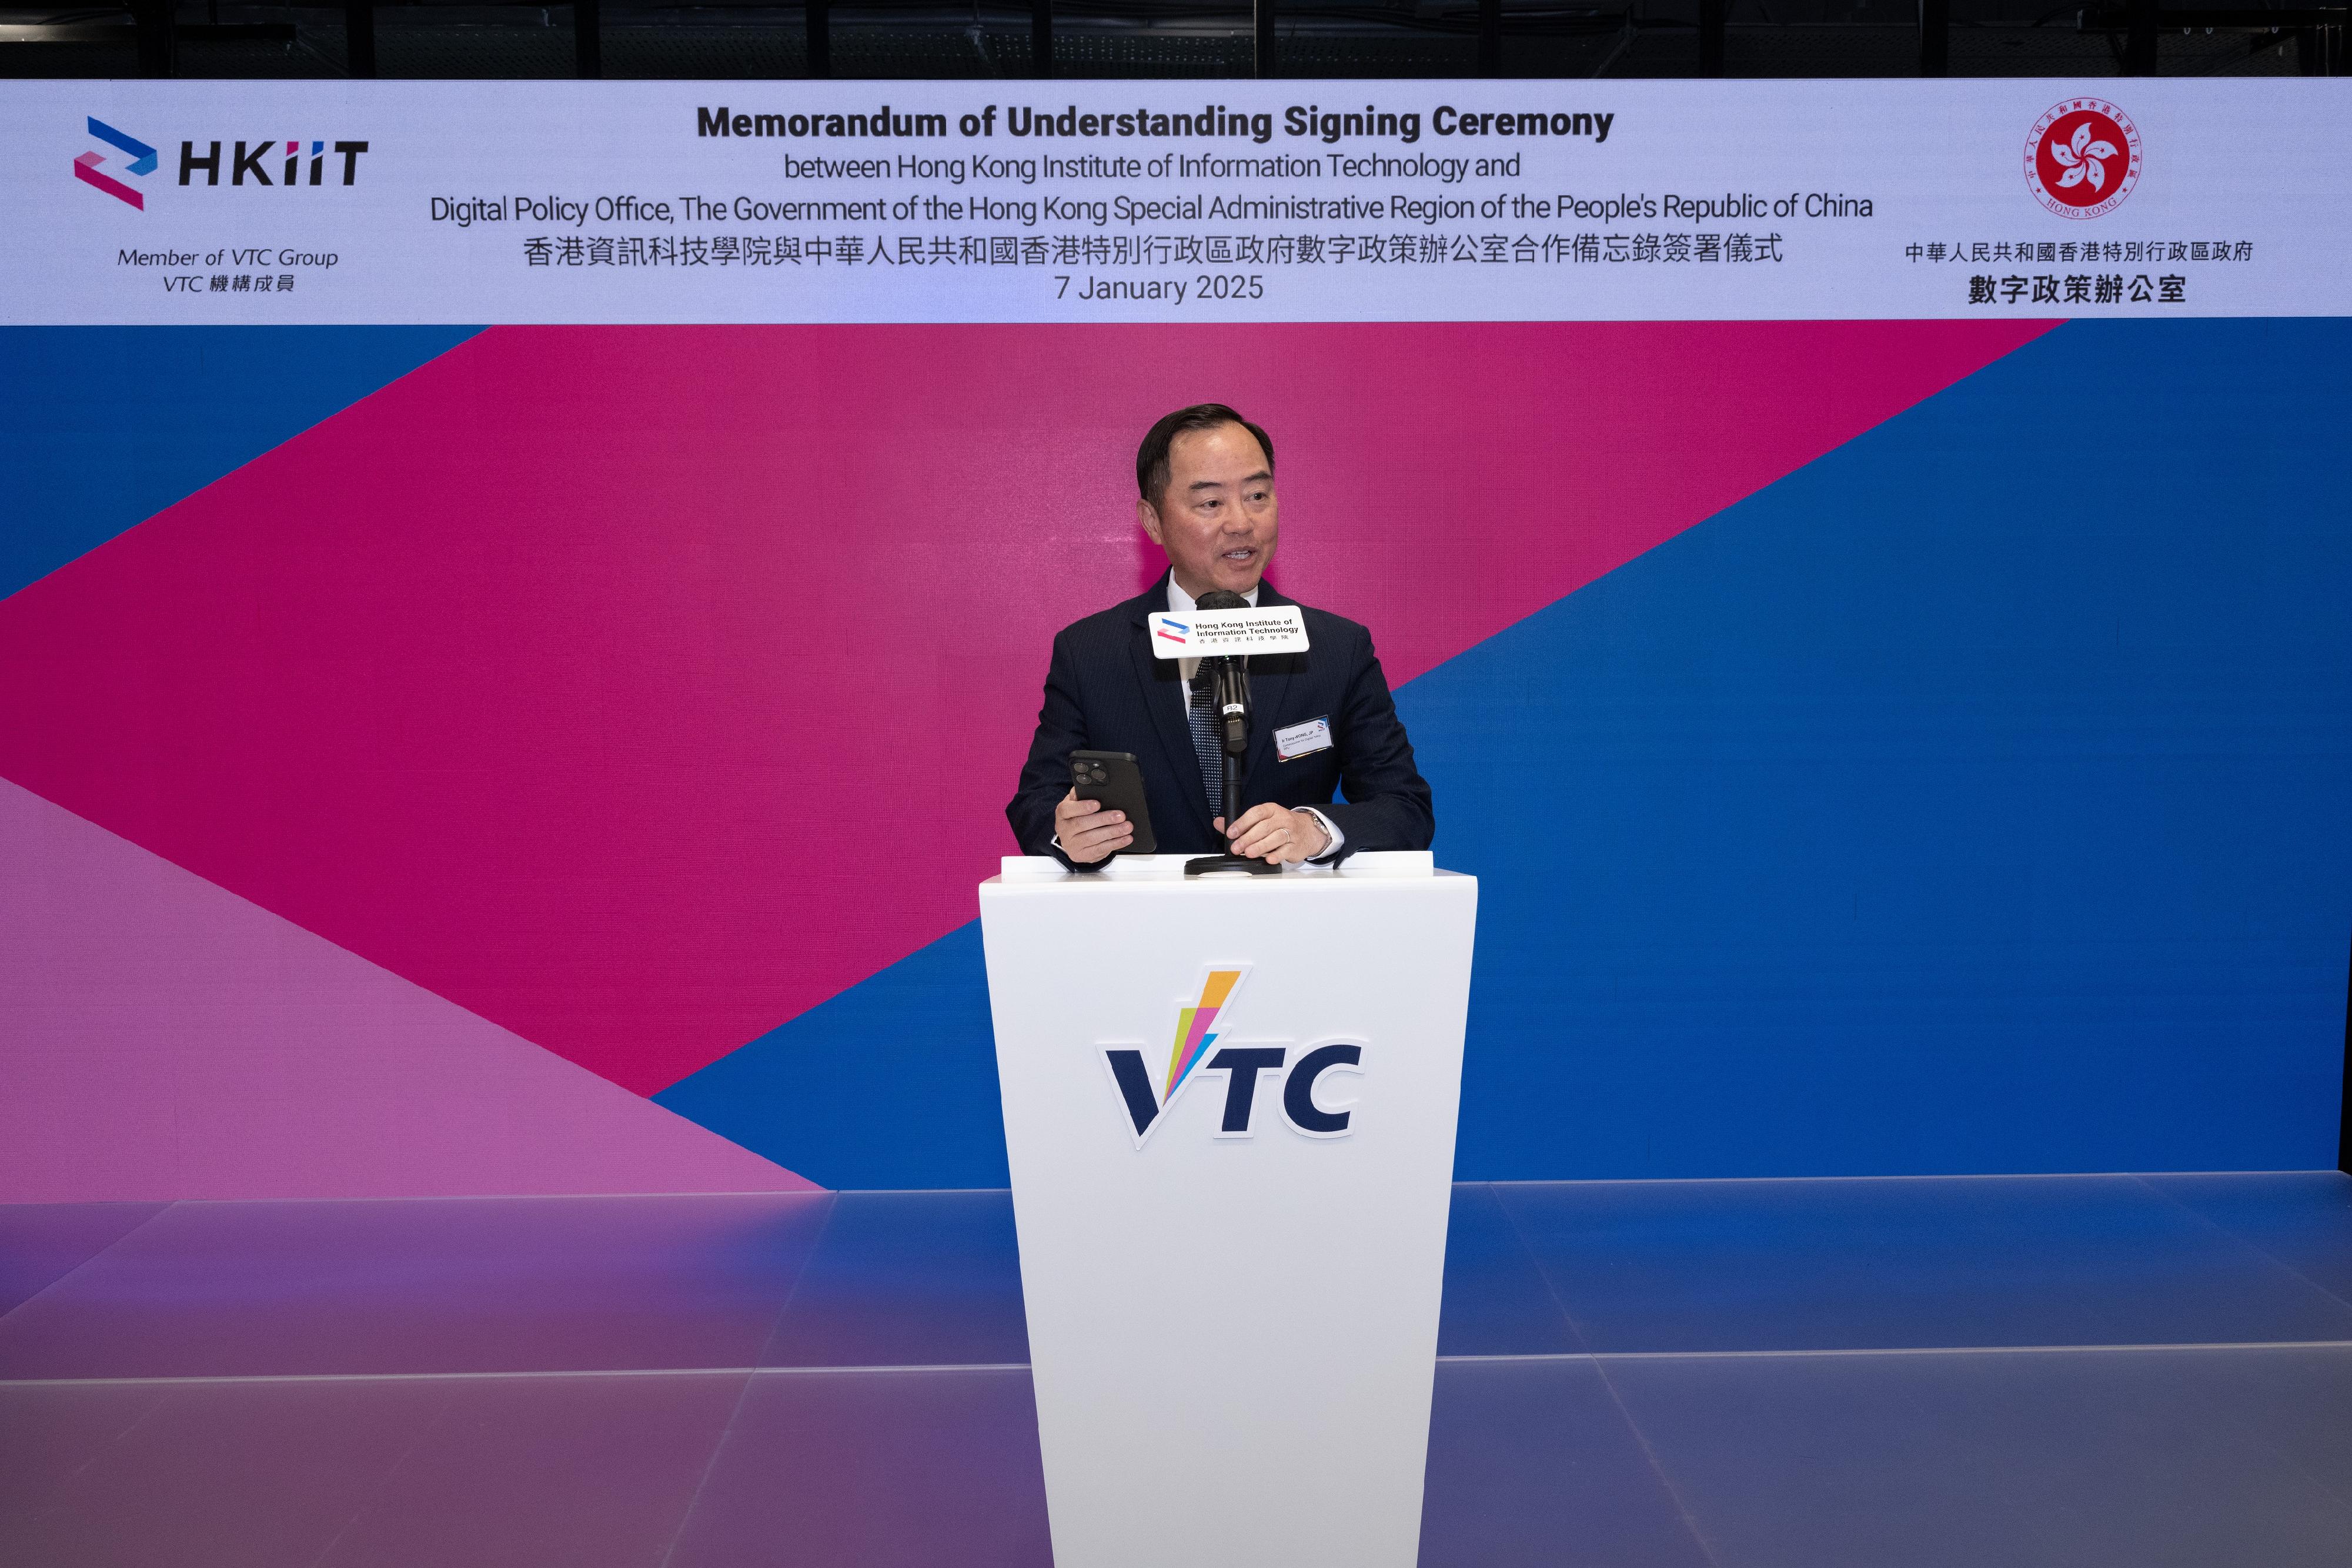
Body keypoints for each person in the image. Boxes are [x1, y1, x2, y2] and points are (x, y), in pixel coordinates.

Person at [1007, 403, 1434, 870]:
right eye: (1211, 503)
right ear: (1153, 520)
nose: (1241, 523)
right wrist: (1068, 833)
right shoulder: (1091, 652)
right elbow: (1036, 806)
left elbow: (1405, 809)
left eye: (1257, 495)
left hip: (1289, 924)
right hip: (1141, 927)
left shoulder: (1335, 648)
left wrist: (1313, 829)